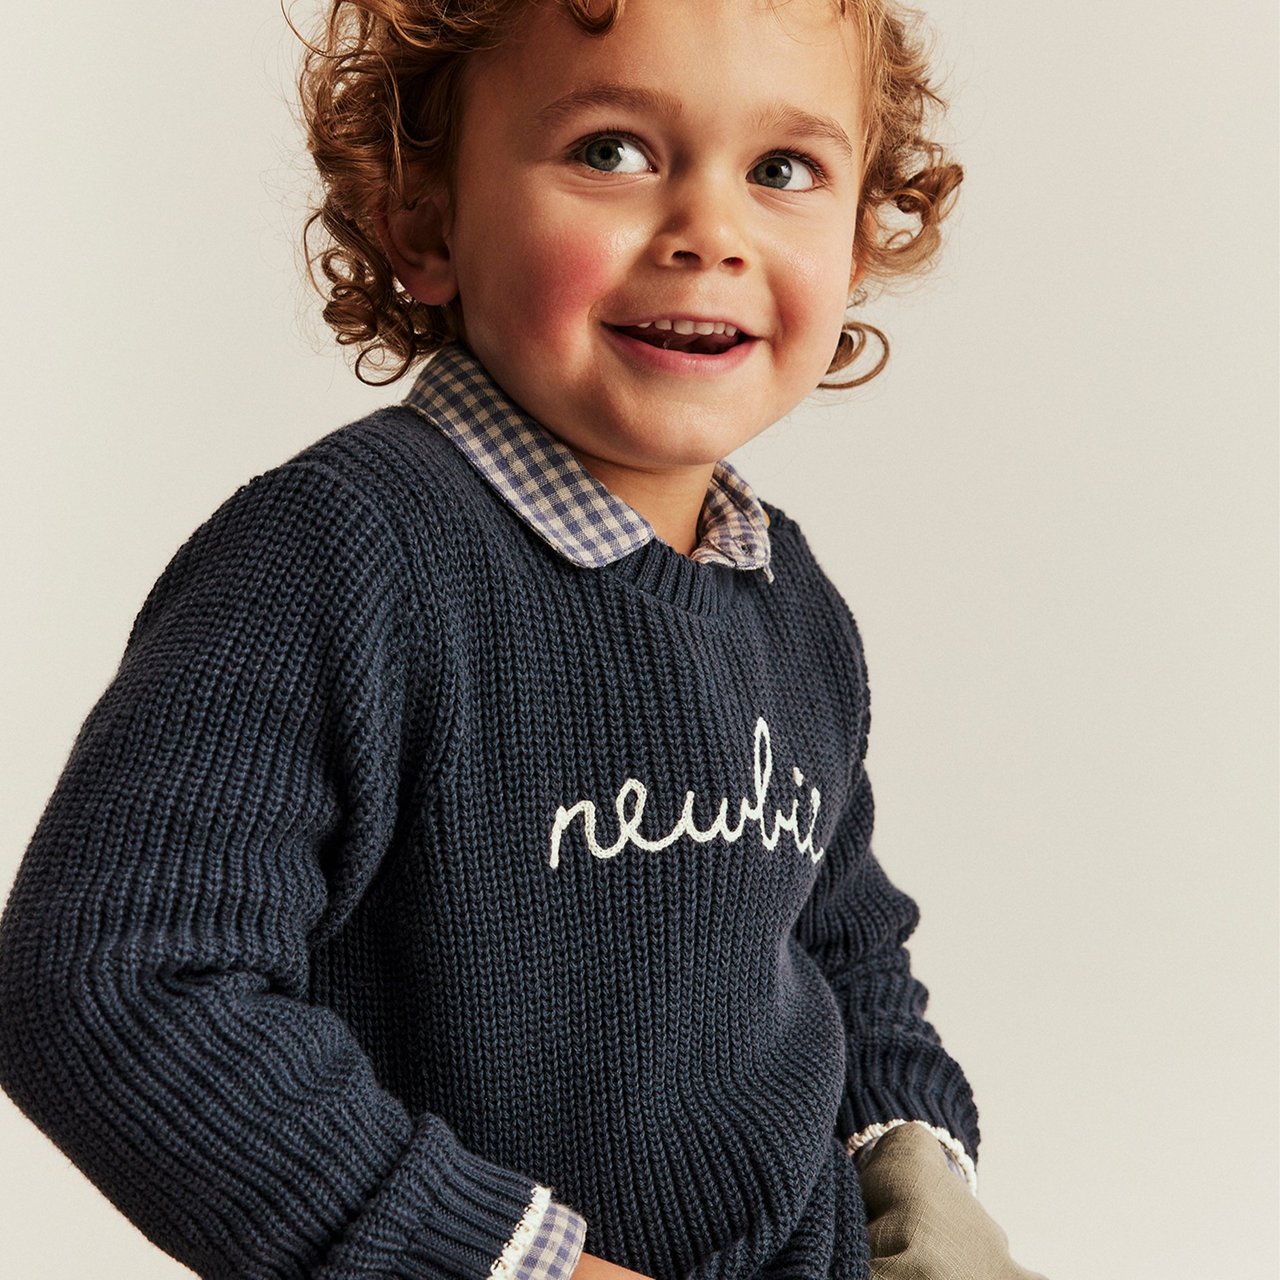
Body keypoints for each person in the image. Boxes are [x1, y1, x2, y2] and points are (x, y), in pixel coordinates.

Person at [0, 1, 1048, 1277]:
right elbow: (114, 980)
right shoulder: (345, 554)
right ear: (421, 217)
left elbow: (837, 940)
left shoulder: (791, 603)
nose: (707, 234)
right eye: (611, 150)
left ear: (858, 241)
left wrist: (913, 1163)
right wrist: (497, 1262)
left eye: (783, 169)